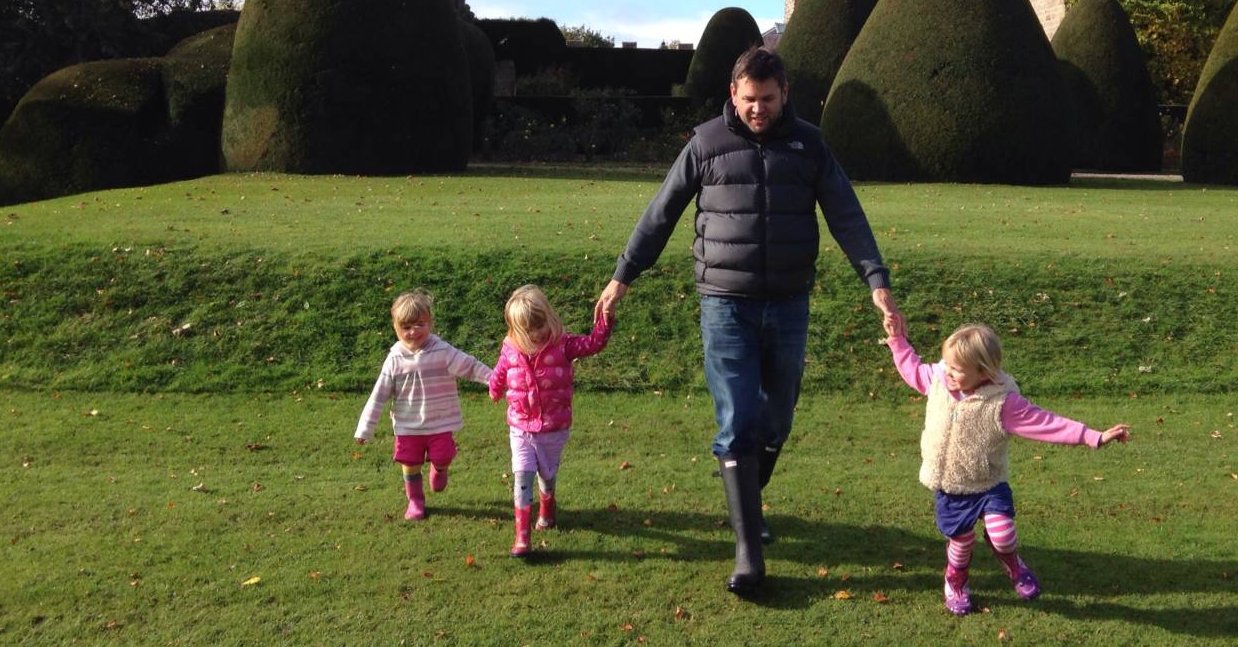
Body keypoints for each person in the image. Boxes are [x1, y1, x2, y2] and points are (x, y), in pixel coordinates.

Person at [595, 46, 899, 595]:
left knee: (776, 418)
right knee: (736, 419)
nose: (758, 109)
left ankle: (746, 502)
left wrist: (875, 280)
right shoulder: (706, 143)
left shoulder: (809, 144)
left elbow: (847, 214)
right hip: (724, 302)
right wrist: (623, 275)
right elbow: (660, 212)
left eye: (769, 99)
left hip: (788, 303)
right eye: (749, 99)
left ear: (784, 95)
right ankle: (747, 553)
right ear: (733, 95)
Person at [883, 317, 1130, 615]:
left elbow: (1047, 423)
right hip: (951, 485)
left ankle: (1013, 564)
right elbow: (912, 368)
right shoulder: (937, 380)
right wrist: (897, 341)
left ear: (983, 371)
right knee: (961, 543)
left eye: (957, 369)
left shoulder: (1003, 403)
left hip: (988, 483)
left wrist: (1094, 437)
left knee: (1003, 536)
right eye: (946, 364)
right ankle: (956, 580)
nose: (947, 372)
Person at [489, 284, 613, 557]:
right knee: (522, 474)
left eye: (541, 323)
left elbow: (594, 343)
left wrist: (606, 317)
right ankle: (523, 537)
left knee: (547, 473)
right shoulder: (510, 349)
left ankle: (548, 504)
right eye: (531, 329)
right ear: (518, 331)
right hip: (520, 426)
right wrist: (495, 388)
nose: (538, 332)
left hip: (554, 428)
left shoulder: (564, 345)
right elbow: (500, 370)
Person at [354, 290, 492, 520]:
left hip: (440, 421)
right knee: (410, 465)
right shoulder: (394, 359)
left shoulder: (442, 350)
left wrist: (495, 380)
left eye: (420, 324)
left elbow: (470, 366)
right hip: (409, 425)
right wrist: (365, 429)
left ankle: (439, 469)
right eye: (406, 327)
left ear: (430, 323)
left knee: (444, 455)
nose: (413, 331)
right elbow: (379, 395)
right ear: (396, 329)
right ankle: (416, 501)